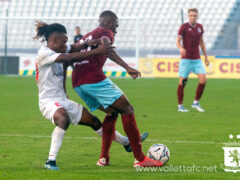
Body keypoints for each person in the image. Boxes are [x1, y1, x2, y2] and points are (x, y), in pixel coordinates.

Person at [34, 21, 146, 170]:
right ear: (54, 41)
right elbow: (69, 58)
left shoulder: (57, 48)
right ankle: (50, 161)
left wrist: (94, 42)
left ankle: (126, 143)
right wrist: (96, 51)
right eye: (63, 42)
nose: (66, 45)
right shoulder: (44, 53)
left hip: (62, 100)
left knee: (94, 121)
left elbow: (74, 48)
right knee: (63, 119)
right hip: (48, 102)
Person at [72, 11, 163, 167]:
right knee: (127, 109)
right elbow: (107, 47)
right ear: (108, 22)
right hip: (92, 78)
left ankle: (103, 158)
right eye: (116, 25)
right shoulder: (106, 32)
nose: (116, 29)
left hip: (77, 82)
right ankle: (140, 159)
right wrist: (127, 67)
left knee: (112, 112)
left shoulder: (87, 35)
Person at [176, 8, 209, 112]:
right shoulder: (184, 27)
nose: (193, 17)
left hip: (197, 59)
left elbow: (201, 42)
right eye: (191, 15)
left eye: (195, 15)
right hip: (186, 59)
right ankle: (180, 106)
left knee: (203, 80)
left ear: (197, 16)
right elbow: (177, 41)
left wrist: (206, 56)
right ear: (188, 16)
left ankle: (196, 102)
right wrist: (181, 48)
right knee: (183, 82)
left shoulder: (200, 27)